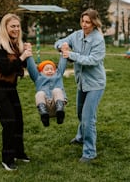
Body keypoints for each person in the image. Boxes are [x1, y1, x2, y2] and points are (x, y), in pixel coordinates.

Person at [54, 9, 106, 163]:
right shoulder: (76, 35)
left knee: (88, 118)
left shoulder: (98, 40)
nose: (84, 24)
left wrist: (71, 55)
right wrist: (62, 45)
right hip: (81, 82)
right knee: (80, 114)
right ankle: (81, 136)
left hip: (95, 84)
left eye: (88, 22)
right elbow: (58, 42)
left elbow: (92, 60)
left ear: (94, 23)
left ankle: (90, 152)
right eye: (83, 21)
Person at [0, 13, 33, 171]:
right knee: (9, 121)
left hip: (10, 87)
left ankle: (18, 152)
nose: (16, 29)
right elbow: (6, 69)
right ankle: (7, 159)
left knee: (18, 120)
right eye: (12, 26)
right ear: (5, 28)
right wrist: (22, 58)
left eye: (18, 26)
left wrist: (26, 52)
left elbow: (22, 65)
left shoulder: (15, 44)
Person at [26, 54, 68, 127]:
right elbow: (31, 67)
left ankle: (60, 114)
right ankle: (44, 116)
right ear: (41, 71)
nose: (50, 71)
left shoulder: (58, 75)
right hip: (45, 106)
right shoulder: (37, 77)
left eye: (52, 69)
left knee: (57, 90)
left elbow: (62, 64)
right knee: (40, 93)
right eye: (47, 69)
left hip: (57, 105)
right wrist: (29, 55)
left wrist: (63, 52)